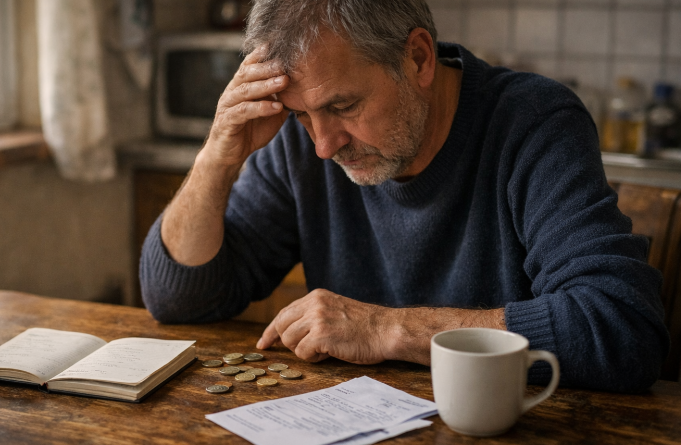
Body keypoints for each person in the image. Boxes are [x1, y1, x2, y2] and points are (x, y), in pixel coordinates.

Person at [140, 0, 669, 392]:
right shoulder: (302, 144)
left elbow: (620, 325)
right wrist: (218, 156)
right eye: (302, 115)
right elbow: (178, 299)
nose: (324, 146)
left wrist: (387, 328)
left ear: (418, 59)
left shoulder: (533, 125)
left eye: (344, 106)